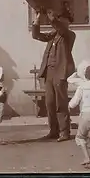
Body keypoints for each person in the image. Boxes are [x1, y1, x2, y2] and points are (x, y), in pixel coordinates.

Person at [32, 8, 76, 142]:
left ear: (68, 22)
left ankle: (64, 131)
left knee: (60, 103)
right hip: (49, 72)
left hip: (60, 72)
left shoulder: (69, 34)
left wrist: (51, 16)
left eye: (64, 19)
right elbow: (37, 35)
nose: (61, 21)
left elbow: (59, 26)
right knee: (50, 103)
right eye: (60, 18)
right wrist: (38, 19)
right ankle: (53, 130)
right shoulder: (54, 34)